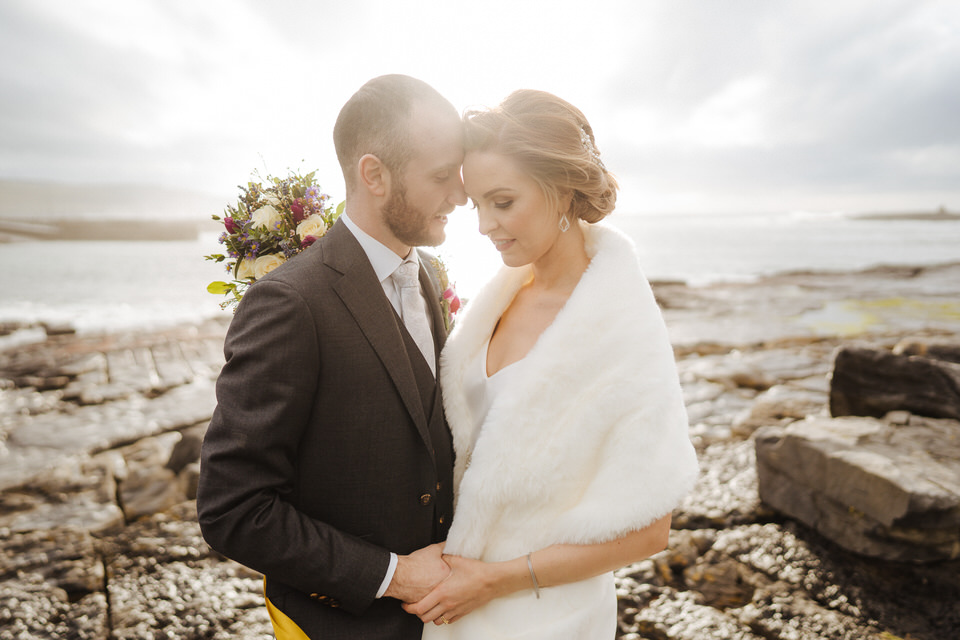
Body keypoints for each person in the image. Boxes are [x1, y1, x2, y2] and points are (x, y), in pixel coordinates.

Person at [404, 90, 700, 639]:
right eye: (477, 205)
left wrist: (495, 581)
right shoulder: (496, 299)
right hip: (455, 603)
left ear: (562, 191)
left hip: (547, 615)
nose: (485, 225)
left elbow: (651, 529)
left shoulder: (620, 327)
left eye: (503, 201)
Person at [196, 74, 467, 639]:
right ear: (374, 174)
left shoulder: (428, 276)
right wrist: (394, 576)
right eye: (442, 177)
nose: (461, 195)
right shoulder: (290, 300)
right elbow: (233, 508)